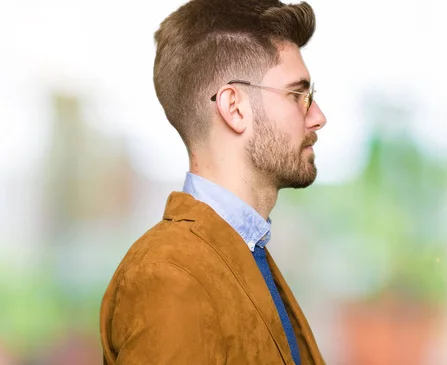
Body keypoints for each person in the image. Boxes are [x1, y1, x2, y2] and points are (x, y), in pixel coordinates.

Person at [99, 0, 328, 364]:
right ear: (234, 108)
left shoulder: (248, 254)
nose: (318, 116)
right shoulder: (170, 276)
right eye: (298, 95)